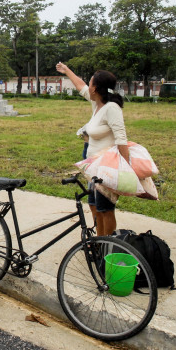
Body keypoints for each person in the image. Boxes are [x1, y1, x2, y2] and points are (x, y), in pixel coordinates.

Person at [56, 63, 129, 237]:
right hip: (93, 165)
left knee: (105, 209)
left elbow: (121, 139)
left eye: (90, 84)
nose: (87, 86)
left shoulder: (111, 108)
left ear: (95, 88)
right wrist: (67, 71)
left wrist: (126, 168)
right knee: (94, 204)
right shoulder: (97, 103)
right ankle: (99, 241)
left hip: (106, 166)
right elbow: (80, 85)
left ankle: (106, 246)